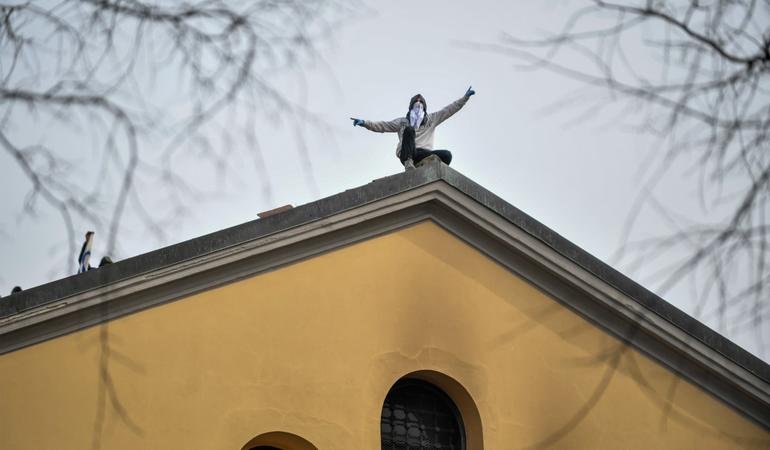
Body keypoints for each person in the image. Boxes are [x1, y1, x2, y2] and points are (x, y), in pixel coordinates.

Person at [351, 86, 475, 170]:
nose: (419, 104)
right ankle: (410, 164)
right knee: (409, 130)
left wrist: (464, 98)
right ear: (411, 107)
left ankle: (426, 166)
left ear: (424, 107)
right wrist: (365, 123)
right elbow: (383, 125)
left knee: (447, 155)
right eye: (416, 102)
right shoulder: (402, 122)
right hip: (407, 154)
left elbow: (449, 110)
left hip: (423, 153)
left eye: (421, 103)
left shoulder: (432, 119)